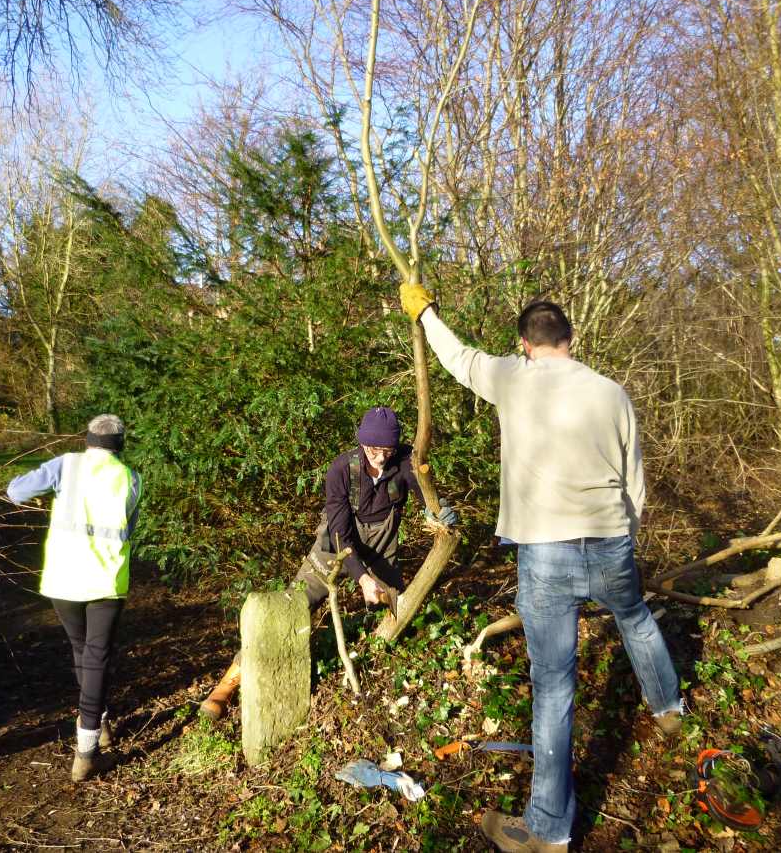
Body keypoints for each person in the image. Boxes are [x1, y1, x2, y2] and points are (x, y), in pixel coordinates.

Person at [400, 286, 682, 853]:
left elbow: (457, 358)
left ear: (524, 345)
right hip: (609, 540)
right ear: (571, 341)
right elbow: (636, 483)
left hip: (546, 552)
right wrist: (625, 531)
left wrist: (425, 312)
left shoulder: (512, 376)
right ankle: (668, 706)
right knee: (635, 616)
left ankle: (551, 831)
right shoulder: (611, 392)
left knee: (554, 686)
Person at [198, 406, 458, 720]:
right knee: (289, 608)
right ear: (362, 444)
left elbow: (426, 496)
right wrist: (361, 577)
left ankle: (380, 676)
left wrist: (438, 512)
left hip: (382, 548)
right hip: (334, 547)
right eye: (373, 449)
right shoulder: (340, 469)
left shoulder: (405, 462)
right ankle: (226, 687)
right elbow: (339, 532)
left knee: (395, 608)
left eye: (386, 450)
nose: (379, 456)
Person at [7, 414, 142, 782]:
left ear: (88, 441)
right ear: (121, 444)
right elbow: (129, 527)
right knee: (97, 656)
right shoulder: (132, 479)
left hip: (64, 578)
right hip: (107, 581)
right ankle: (86, 750)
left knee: (81, 649)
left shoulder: (65, 466)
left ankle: (96, 724)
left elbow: (15, 491)